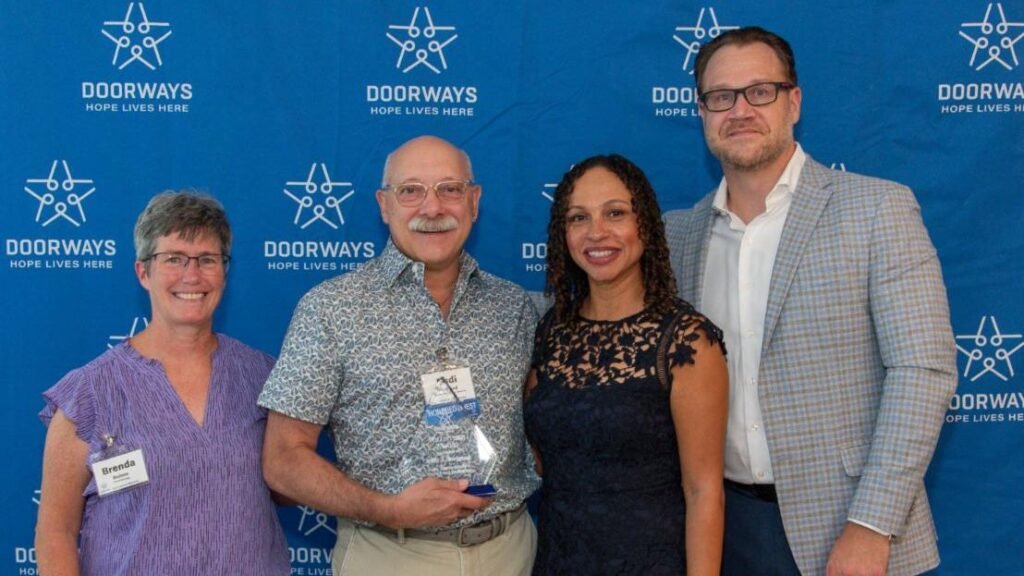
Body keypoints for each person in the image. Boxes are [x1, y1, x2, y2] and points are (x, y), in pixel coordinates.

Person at [664, 26, 958, 576]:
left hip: (848, 530)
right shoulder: (678, 236)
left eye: (760, 91)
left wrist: (871, 524)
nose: (740, 110)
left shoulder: (877, 210)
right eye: (721, 97)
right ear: (701, 111)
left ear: (794, 102)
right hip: (722, 529)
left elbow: (924, 370)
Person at [259, 135, 540, 575]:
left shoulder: (515, 307)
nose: (433, 207)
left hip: (510, 551)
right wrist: (387, 509)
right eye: (411, 191)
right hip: (389, 555)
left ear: (474, 201)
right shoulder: (331, 310)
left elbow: (545, 429)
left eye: (450, 189)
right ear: (384, 205)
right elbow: (282, 461)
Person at [35, 192, 289, 576]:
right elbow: (56, 532)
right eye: (173, 259)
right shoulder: (90, 394)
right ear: (143, 272)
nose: (192, 275)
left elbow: (289, 486)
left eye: (207, 259)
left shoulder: (265, 377)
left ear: (224, 272)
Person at [525, 154, 728, 575]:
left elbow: (704, 491)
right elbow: (542, 460)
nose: (596, 232)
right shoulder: (551, 332)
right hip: (559, 562)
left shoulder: (686, 340)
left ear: (645, 225)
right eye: (578, 218)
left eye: (615, 213)